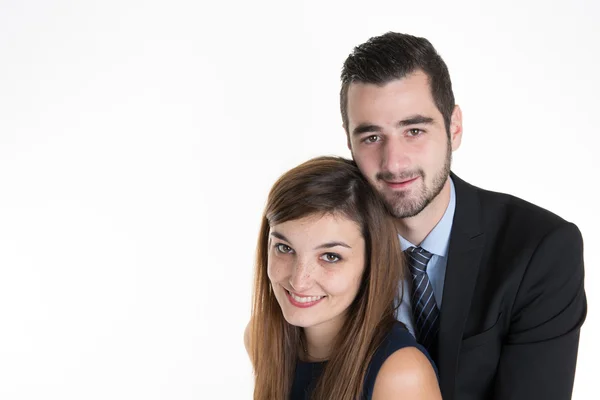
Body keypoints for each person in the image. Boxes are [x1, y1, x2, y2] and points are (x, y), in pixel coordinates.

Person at [340, 31, 587, 400]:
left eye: (414, 130)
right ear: (349, 140)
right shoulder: (331, 249)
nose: (393, 162)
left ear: (454, 127)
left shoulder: (540, 248)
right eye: (372, 137)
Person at [244, 156, 442, 399]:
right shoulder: (261, 338)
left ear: (371, 262)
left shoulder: (401, 374)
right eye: (285, 248)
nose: (299, 280)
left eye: (330, 256)